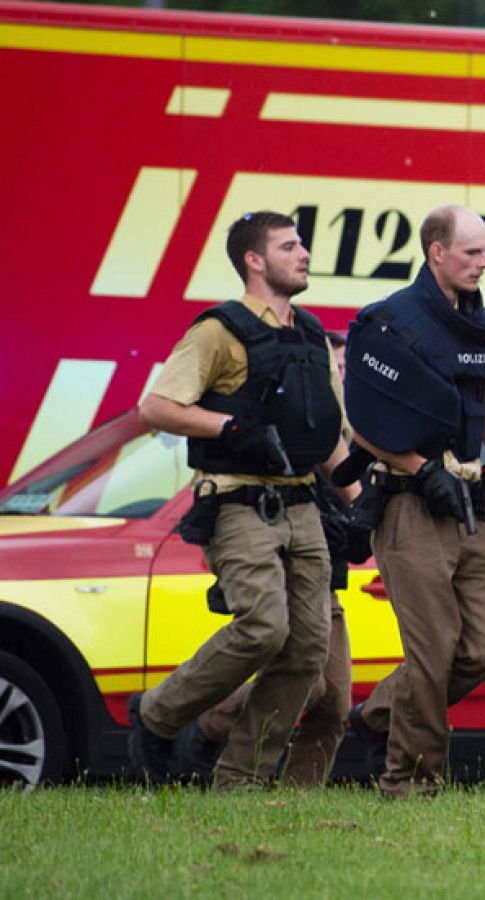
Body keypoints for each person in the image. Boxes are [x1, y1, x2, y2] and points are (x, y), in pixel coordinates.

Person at [128, 210, 352, 788]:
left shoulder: (311, 336)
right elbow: (155, 407)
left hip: (304, 506)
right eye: (288, 246)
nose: (303, 254)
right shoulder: (218, 331)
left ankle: (240, 782)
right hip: (238, 503)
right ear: (254, 261)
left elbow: (327, 439)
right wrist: (227, 428)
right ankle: (156, 714)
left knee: (306, 654)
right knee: (263, 627)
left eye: (302, 245)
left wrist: (357, 501)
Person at [341, 204, 485, 800]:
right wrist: (421, 469)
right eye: (472, 252)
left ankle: (377, 715)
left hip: (472, 509)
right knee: (432, 654)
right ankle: (410, 783)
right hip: (409, 508)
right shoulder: (387, 324)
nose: (483, 262)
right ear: (436, 253)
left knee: (484, 648)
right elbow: (365, 424)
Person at [174, 332, 363, 786]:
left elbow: (354, 495)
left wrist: (358, 522)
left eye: (343, 371)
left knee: (334, 705)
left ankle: (295, 803)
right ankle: (204, 727)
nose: (337, 378)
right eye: (330, 369)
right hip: (284, 567)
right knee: (308, 684)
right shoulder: (293, 424)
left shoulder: (351, 434)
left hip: (327, 575)